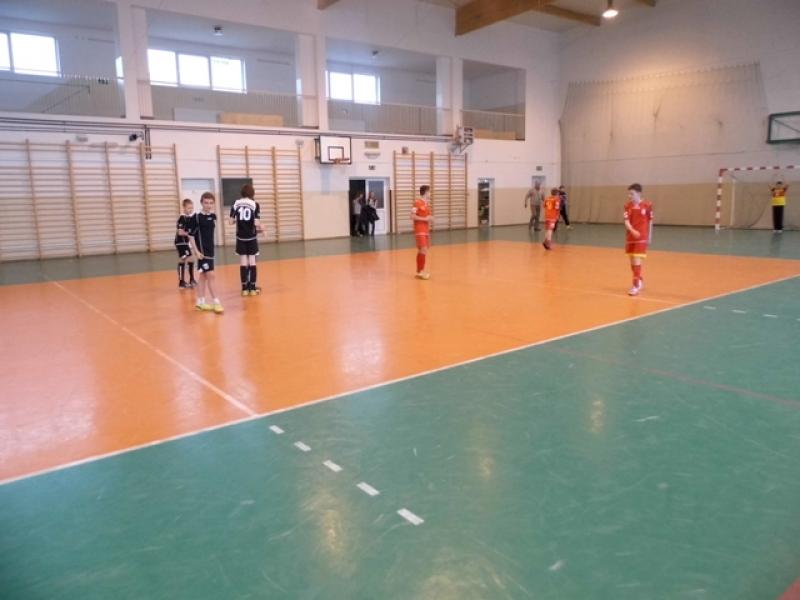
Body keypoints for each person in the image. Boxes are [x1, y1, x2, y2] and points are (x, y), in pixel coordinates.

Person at [187, 192, 223, 314]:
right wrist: (196, 251)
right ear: (201, 203)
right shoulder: (196, 217)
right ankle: (216, 302)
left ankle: (200, 302)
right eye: (206, 203)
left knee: (203, 276)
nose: (208, 205)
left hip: (210, 251)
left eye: (211, 203)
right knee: (211, 275)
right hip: (202, 253)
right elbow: (191, 236)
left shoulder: (213, 216)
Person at [230, 183, 262, 296]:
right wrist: (262, 228)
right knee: (252, 262)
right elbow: (256, 223)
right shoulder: (255, 204)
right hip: (251, 237)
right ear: (252, 194)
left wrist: (238, 220)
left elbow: (230, 222)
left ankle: (244, 288)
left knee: (243, 262)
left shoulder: (236, 203)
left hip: (240, 238)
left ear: (242, 193)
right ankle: (252, 288)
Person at [623, 183, 654, 297]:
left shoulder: (647, 205)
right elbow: (626, 221)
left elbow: (650, 221)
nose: (629, 196)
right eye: (629, 194)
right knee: (632, 262)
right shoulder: (627, 206)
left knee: (636, 260)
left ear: (639, 193)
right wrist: (632, 231)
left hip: (641, 237)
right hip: (631, 237)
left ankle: (635, 286)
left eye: (632, 194)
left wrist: (650, 236)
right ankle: (639, 280)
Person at [412, 185, 433, 280]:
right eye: (429, 191)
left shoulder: (427, 204)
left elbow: (429, 216)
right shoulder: (417, 203)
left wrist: (431, 218)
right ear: (426, 192)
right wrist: (425, 219)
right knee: (423, 249)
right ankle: (421, 272)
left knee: (422, 250)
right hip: (419, 230)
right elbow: (412, 216)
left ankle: (419, 271)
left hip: (426, 230)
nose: (430, 193)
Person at [174, 198, 196, 289]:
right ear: (184, 208)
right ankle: (186, 281)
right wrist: (189, 233)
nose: (190, 210)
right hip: (181, 242)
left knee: (185, 260)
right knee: (189, 259)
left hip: (185, 243)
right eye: (188, 208)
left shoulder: (189, 218)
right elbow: (180, 232)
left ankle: (186, 281)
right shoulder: (182, 218)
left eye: (192, 208)